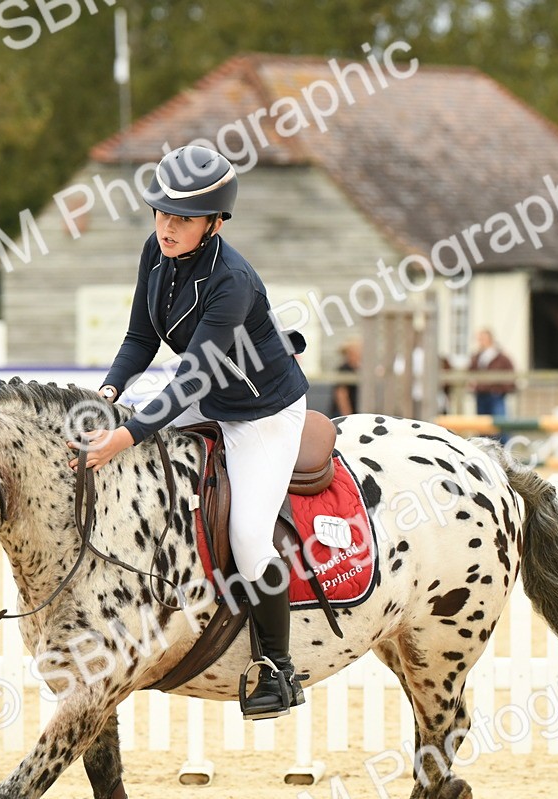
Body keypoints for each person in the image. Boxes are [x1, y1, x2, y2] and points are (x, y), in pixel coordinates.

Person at [68, 145, 310, 721]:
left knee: (250, 536)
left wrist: (127, 435)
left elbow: (191, 378)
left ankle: (278, 667)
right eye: (161, 213)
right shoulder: (155, 252)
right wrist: (108, 395)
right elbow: (139, 339)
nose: (167, 226)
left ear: (214, 223)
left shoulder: (234, 281)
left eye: (183, 218)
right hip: (207, 396)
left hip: (261, 413)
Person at [468, 329, 515, 418]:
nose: (480, 342)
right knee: (482, 422)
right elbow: (470, 372)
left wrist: (502, 389)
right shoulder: (476, 357)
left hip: (496, 395)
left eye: (482, 339)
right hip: (481, 394)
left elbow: (511, 374)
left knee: (499, 421)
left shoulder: (501, 357)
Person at [332, 337, 362, 416]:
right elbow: (341, 395)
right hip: (346, 415)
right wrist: (348, 416)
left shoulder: (361, 369)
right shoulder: (344, 369)